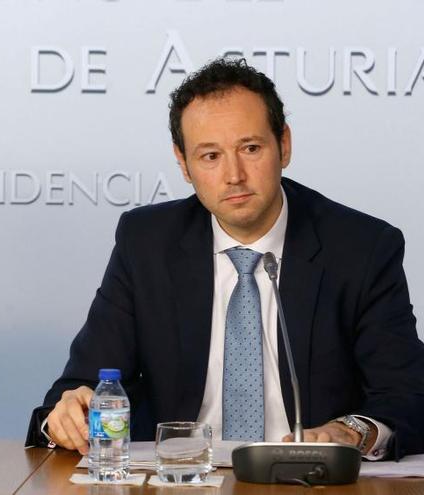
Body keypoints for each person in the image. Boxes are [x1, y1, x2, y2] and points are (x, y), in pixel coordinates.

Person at [26, 58, 424, 460]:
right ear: (183, 164)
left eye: (250, 148)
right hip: (181, 478)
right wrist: (65, 415)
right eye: (210, 156)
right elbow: (82, 386)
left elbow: (408, 395)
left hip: (306, 479)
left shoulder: (362, 247)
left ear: (283, 145)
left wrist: (350, 431)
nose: (234, 175)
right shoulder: (146, 243)